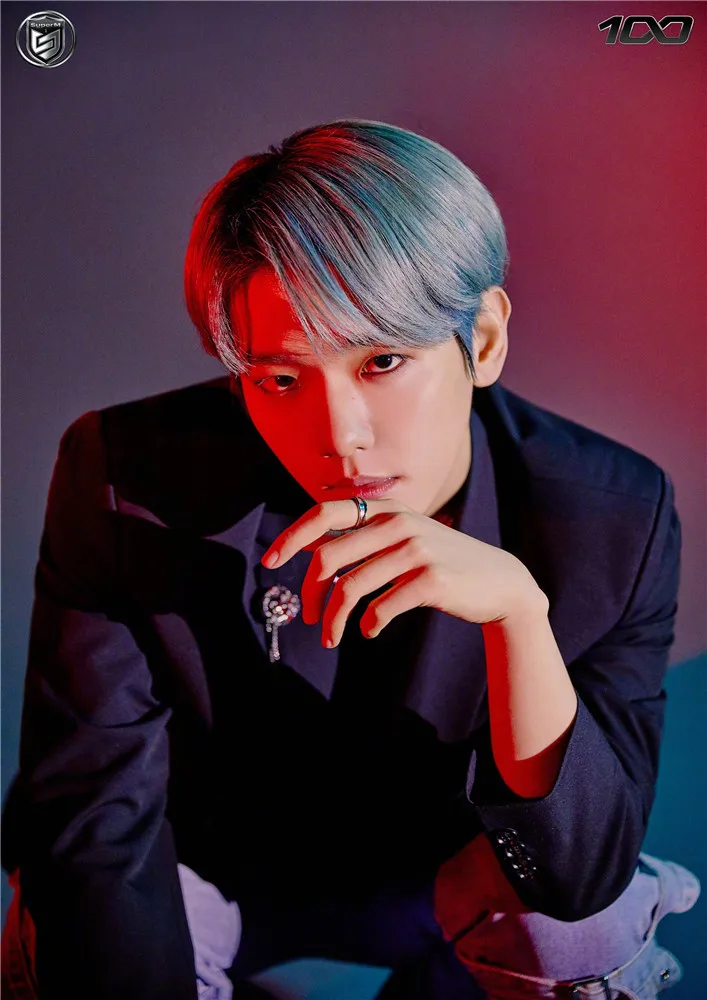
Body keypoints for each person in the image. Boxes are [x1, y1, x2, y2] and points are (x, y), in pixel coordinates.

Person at [1, 118, 699, 1000]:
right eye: (280, 379)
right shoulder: (125, 475)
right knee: (63, 927)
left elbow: (578, 877)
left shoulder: (609, 517)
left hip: (451, 884)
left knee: (586, 933)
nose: (338, 435)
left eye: (383, 360)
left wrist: (518, 617)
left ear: (483, 341)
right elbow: (88, 821)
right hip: (202, 870)